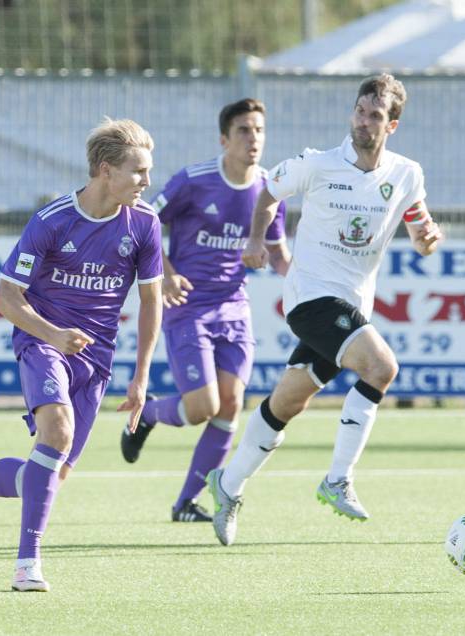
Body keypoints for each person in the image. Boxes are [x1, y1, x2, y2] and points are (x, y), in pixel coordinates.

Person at [0, 118, 164, 592]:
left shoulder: (144, 222)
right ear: (106, 170)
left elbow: (151, 301)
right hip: (41, 341)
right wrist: (54, 335)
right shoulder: (52, 221)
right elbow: (6, 298)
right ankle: (28, 564)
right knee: (57, 432)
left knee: (42, 479)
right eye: (139, 171)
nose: (147, 181)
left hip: (96, 358)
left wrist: (141, 376)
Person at [206, 73, 444, 546]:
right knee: (381, 367)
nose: (363, 121)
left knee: (288, 402)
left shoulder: (406, 174)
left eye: (375, 115)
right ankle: (338, 478)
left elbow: (421, 230)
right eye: (360, 110)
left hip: (352, 306)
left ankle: (227, 485)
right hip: (310, 298)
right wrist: (256, 240)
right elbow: (267, 194)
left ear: (392, 125)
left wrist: (428, 239)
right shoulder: (316, 164)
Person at [118, 99, 290, 523]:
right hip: (188, 305)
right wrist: (166, 272)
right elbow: (140, 219)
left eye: (259, 130)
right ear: (224, 139)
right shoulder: (193, 181)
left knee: (230, 405)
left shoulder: (270, 190)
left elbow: (279, 255)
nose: (253, 138)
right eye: (244, 130)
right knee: (201, 408)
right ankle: (147, 415)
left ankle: (186, 504)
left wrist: (311, 284)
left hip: (235, 308)